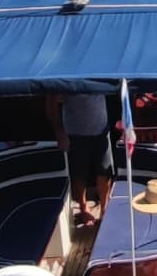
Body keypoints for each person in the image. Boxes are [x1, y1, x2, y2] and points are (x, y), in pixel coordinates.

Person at [47, 92, 114, 226]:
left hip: (101, 130)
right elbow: (51, 104)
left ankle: (104, 209)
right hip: (75, 134)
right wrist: (60, 133)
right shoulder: (65, 81)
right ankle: (83, 208)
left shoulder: (102, 77)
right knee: (79, 174)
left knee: (105, 171)